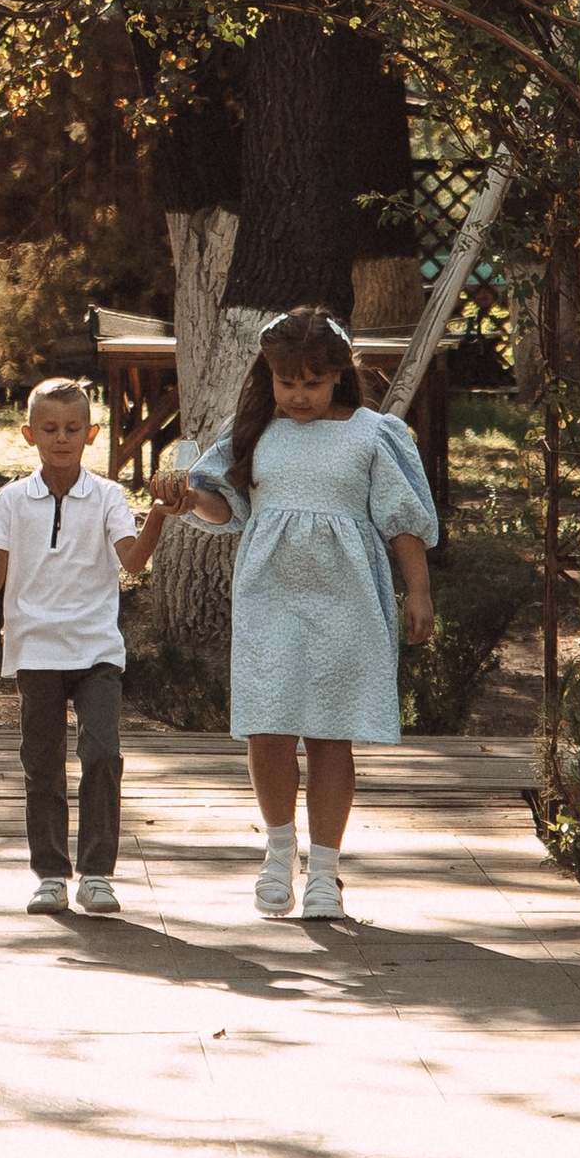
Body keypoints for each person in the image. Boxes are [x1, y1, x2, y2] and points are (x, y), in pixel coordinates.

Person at [157, 306, 436, 921]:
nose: (299, 395)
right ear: (270, 375)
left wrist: (417, 592)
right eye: (286, 382)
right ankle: (278, 854)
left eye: (313, 382)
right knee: (268, 724)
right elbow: (224, 507)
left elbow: (401, 521)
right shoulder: (255, 431)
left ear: (339, 374)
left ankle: (326, 872)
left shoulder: (371, 434)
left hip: (346, 599)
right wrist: (188, 500)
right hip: (270, 596)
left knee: (331, 733)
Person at [0, 375, 173, 914]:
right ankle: (50, 875)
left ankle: (96, 874)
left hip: (96, 649)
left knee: (102, 754)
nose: (61, 438)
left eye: (73, 428)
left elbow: (133, 561)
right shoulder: (12, 500)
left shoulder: (108, 496)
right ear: (28, 434)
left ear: (91, 434)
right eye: (49, 428)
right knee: (42, 763)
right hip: (35, 648)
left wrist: (159, 514)